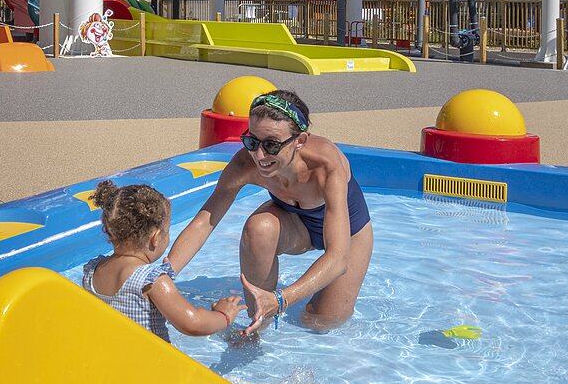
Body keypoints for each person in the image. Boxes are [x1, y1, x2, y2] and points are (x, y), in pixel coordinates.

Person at [168, 89, 373, 333]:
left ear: (300, 141)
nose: (259, 155)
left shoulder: (326, 166)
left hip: (349, 234)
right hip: (297, 228)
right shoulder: (246, 164)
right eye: (252, 141)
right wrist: (162, 276)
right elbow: (205, 221)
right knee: (259, 229)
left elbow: (338, 258)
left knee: (319, 322)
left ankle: (272, 305)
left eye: (272, 145)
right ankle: (257, 326)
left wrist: (282, 298)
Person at [82, 180, 244, 343]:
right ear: (155, 238)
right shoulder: (152, 281)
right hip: (152, 364)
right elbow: (193, 323)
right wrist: (224, 316)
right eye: (167, 232)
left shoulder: (93, 270)